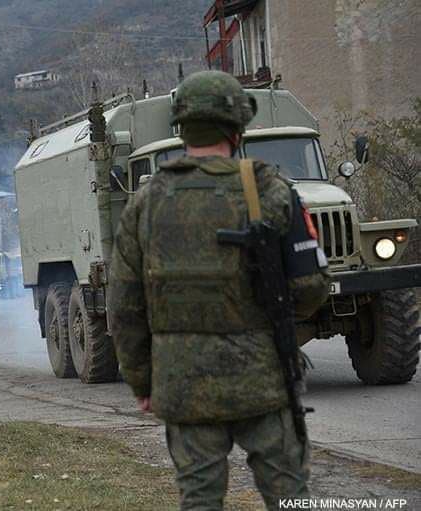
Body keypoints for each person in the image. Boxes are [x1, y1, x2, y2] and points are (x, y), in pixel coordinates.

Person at [109, 70, 329, 510]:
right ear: (238, 127)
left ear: (180, 126)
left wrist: (142, 381)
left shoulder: (144, 204)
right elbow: (310, 287)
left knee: (200, 499)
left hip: (182, 384)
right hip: (264, 379)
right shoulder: (272, 190)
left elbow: (124, 308)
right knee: (290, 498)